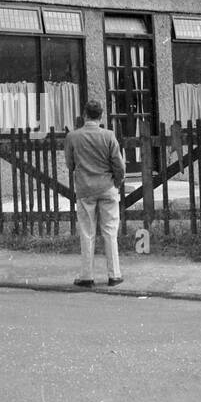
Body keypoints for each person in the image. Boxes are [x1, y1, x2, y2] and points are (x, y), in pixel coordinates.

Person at [64, 99, 126, 287]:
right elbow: (119, 165)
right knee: (110, 232)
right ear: (101, 116)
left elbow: (69, 164)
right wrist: (117, 182)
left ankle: (87, 276)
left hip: (85, 189)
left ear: (84, 115)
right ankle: (114, 275)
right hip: (107, 188)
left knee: (87, 232)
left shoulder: (72, 137)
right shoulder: (108, 136)